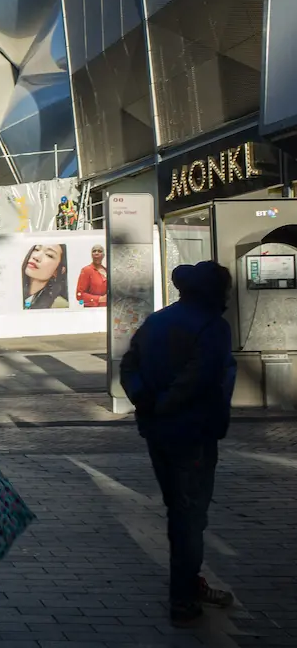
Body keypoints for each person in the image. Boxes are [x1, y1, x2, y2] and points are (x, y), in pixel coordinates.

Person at [120, 261, 236, 626]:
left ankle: (189, 582)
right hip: (192, 432)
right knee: (190, 516)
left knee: (178, 510)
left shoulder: (157, 321)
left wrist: (144, 400)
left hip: (157, 432)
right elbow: (201, 378)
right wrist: (165, 404)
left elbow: (129, 365)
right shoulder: (212, 326)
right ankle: (184, 597)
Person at [21, 243, 69, 309]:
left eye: (49, 255)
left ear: (60, 270)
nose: (36, 257)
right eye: (36, 249)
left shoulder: (59, 305)